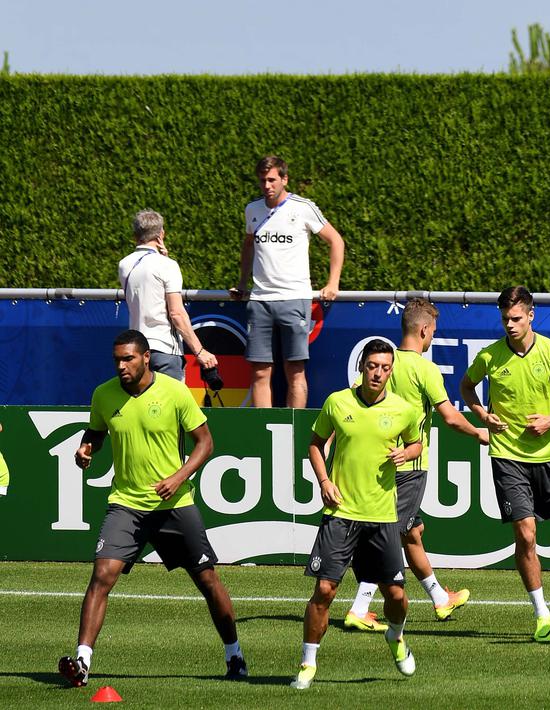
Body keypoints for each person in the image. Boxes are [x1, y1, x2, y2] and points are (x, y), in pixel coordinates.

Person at [59, 330, 245, 688]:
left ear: (146, 358)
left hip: (174, 503)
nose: (121, 366)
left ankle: (234, 654)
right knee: (101, 576)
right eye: (116, 359)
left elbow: (206, 443)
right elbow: (95, 431)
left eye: (127, 359)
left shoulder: (175, 392)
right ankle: (82, 661)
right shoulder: (103, 394)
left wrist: (178, 477)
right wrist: (87, 448)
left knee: (207, 580)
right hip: (126, 503)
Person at [459, 286, 550, 643]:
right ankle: (541, 612)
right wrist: (483, 413)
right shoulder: (489, 356)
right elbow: (466, 387)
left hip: (548, 457)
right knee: (525, 533)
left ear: (530, 315)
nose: (509, 325)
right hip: (507, 456)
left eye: (515, 318)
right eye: (505, 319)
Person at [344, 298, 490, 632]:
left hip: (379, 465)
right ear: (424, 330)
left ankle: (440, 598)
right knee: (389, 533)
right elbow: (451, 418)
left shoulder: (381, 364)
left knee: (412, 532)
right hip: (410, 466)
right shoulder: (424, 368)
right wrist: (478, 434)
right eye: (433, 332)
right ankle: (360, 605)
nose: (432, 338)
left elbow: (354, 398)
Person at [292, 339, 421, 690]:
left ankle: (395, 637)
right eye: (372, 366)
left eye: (384, 367)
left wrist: (407, 454)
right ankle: (307, 663)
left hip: (381, 517)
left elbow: (417, 442)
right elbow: (315, 444)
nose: (377, 373)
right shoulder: (337, 402)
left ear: (390, 371)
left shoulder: (403, 409)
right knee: (325, 589)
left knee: (396, 596)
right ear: (362, 367)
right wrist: (323, 481)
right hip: (340, 512)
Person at [230, 155, 345, 408]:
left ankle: (293, 431)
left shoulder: (303, 207)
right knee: (260, 372)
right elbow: (248, 244)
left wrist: (332, 283)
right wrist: (242, 283)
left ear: (284, 179)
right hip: (260, 300)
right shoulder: (252, 209)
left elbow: (336, 240)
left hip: (295, 298)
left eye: (272, 180)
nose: (267, 186)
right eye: (262, 181)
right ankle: (263, 433)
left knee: (294, 370)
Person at [119, 210, 218, 381]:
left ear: (135, 236)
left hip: (138, 349)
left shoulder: (124, 265)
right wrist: (200, 352)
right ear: (161, 234)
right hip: (165, 349)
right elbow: (176, 313)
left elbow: (148, 287)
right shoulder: (168, 266)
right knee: (171, 406)